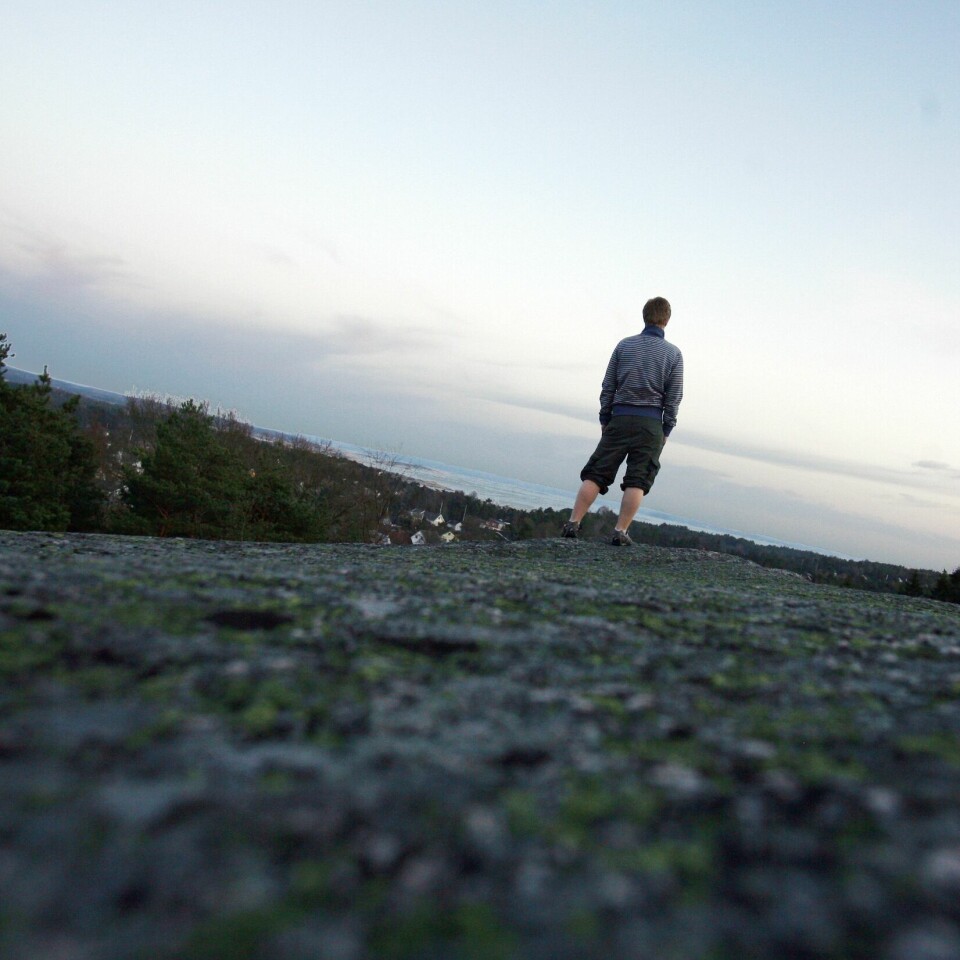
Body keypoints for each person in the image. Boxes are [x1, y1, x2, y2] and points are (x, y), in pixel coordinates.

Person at [562, 296, 683, 545]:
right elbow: (674, 396)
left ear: (644, 316)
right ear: (667, 320)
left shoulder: (624, 346)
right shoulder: (673, 354)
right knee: (638, 479)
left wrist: (605, 417)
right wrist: (667, 428)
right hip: (650, 425)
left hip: (620, 417)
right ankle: (620, 531)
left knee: (596, 473)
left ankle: (573, 523)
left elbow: (608, 385)